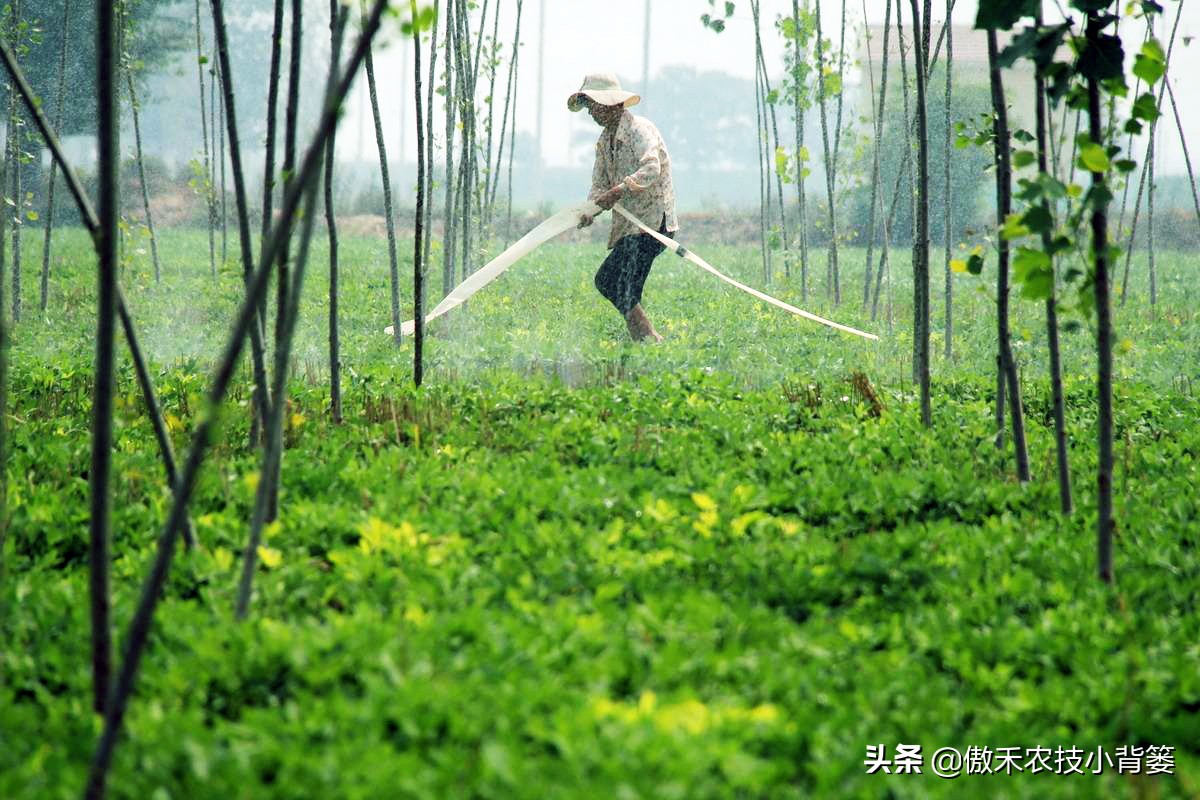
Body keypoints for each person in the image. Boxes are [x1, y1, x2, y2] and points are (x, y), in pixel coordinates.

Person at [569, 73, 678, 342]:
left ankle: (650, 339)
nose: (592, 112)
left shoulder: (641, 130)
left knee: (609, 280)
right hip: (630, 226)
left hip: (653, 223)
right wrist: (590, 211)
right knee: (623, 288)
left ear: (614, 104)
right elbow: (599, 185)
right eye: (589, 107)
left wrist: (619, 190)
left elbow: (652, 168)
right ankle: (647, 342)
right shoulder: (604, 143)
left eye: (594, 105)